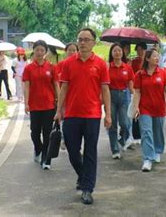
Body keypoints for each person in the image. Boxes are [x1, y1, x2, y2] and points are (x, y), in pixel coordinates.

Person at [55, 28, 112, 205]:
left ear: (94, 42)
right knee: (72, 151)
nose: (82, 42)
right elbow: (63, 88)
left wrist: (108, 114)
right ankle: (83, 175)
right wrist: (59, 110)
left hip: (92, 114)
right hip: (71, 114)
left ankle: (87, 188)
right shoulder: (68, 63)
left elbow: (105, 89)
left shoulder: (101, 64)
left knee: (90, 152)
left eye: (87, 39)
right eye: (80, 39)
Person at [132, 49, 166, 172]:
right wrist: (136, 107)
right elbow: (137, 92)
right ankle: (147, 159)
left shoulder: (163, 73)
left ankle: (157, 150)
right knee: (146, 132)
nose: (157, 58)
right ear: (148, 59)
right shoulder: (140, 74)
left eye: (158, 56)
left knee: (158, 131)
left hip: (159, 108)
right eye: (154, 56)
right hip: (145, 109)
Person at [23, 40, 59, 170]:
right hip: (34, 105)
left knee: (47, 133)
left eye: (42, 50)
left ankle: (46, 159)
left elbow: (56, 85)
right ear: (34, 51)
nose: (39, 52)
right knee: (34, 133)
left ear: (46, 52)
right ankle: (38, 149)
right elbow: (27, 86)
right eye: (37, 50)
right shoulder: (28, 68)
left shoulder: (51, 67)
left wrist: (59, 102)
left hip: (49, 105)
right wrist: (26, 102)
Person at [107, 43, 135, 159]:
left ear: (122, 53)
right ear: (111, 53)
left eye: (119, 50)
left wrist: (134, 96)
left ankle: (122, 138)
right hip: (111, 95)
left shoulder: (127, 67)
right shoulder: (107, 67)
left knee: (125, 123)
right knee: (112, 124)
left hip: (124, 95)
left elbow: (130, 83)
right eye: (115, 51)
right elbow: (104, 85)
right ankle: (115, 150)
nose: (117, 53)